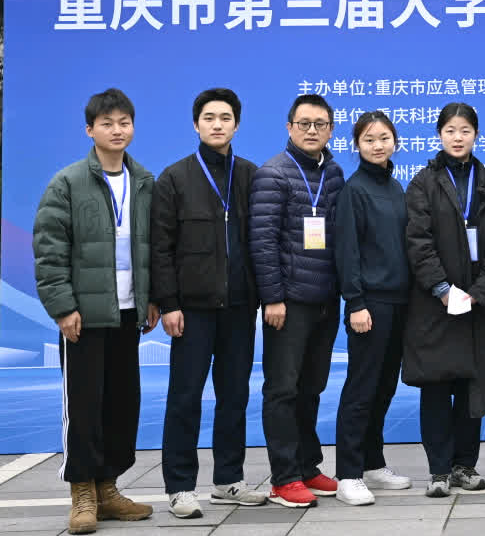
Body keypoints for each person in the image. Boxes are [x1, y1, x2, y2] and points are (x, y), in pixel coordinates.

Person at [32, 88, 159, 535]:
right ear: (90, 130)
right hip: (84, 316)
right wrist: (63, 307)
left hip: (128, 313)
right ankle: (82, 493)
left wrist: (152, 298)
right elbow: (49, 251)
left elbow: (155, 247)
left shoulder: (144, 182)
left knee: (122, 404)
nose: (117, 130)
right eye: (107, 123)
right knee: (84, 406)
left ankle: (108, 489)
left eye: (124, 122)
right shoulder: (67, 183)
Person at [152, 88, 269, 519]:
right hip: (192, 311)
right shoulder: (175, 178)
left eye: (225, 117)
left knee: (234, 396)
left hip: (239, 308)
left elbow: (262, 241)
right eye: (208, 117)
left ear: (237, 124)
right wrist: (168, 303)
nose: (217, 124)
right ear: (196, 124)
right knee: (185, 397)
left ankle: (228, 480)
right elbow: (160, 248)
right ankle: (180, 487)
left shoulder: (252, 176)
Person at [403, 103, 485, 497]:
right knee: (436, 388)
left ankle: (463, 466)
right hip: (434, 305)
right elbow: (418, 242)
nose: (457, 137)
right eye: (450, 130)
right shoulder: (423, 184)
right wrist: (442, 289)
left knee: (474, 388)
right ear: (439, 134)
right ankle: (438, 471)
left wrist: (479, 293)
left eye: (465, 130)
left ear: (476, 135)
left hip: (480, 308)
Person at [248, 94, 346, 508]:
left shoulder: (334, 173)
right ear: (289, 127)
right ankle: (284, 477)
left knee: (311, 388)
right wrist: (273, 298)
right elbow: (262, 241)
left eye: (320, 124)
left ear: (331, 130)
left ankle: (308, 466)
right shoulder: (273, 173)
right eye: (304, 123)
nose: (311, 130)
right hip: (288, 303)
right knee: (283, 389)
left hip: (325, 300)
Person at [332, 111, 414, 505]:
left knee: (384, 387)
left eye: (384, 138)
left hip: (399, 302)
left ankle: (372, 463)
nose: (378, 145)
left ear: (394, 141)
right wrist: (355, 303)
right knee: (361, 389)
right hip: (370, 305)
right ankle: (348, 473)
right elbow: (347, 252)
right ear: (357, 145)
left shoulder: (396, 187)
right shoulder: (355, 190)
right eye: (369, 139)